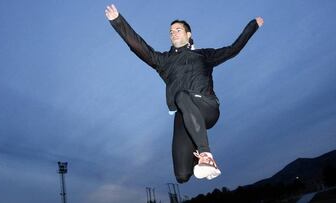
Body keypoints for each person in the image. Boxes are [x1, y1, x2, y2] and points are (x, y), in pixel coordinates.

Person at [105, 4, 264, 183]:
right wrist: (117, 21)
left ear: (188, 35)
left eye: (178, 29)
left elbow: (233, 49)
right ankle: (198, 159)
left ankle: (205, 154)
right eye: (171, 31)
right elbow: (139, 47)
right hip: (184, 114)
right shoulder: (163, 61)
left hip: (207, 107)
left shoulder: (204, 55)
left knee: (181, 95)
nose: (173, 33)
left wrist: (253, 26)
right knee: (182, 175)